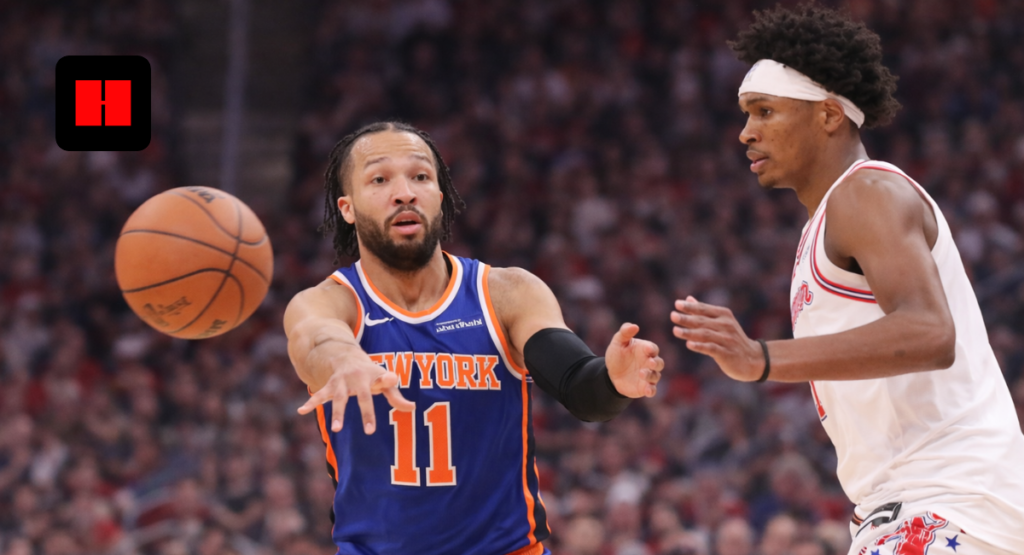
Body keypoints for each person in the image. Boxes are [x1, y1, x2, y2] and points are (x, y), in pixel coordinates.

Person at [670, 5, 1024, 555]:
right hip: (911, 502)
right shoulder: (826, 220)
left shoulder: (867, 193)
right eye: (746, 114)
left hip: (951, 496)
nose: (745, 133)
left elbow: (930, 333)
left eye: (764, 111)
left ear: (830, 115)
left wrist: (760, 358)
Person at [284, 121, 664, 555]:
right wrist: (343, 358)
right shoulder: (330, 302)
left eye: (421, 176)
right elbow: (315, 340)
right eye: (379, 179)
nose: (405, 192)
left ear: (440, 200)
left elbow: (580, 386)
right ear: (347, 208)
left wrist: (612, 381)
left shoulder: (505, 293)